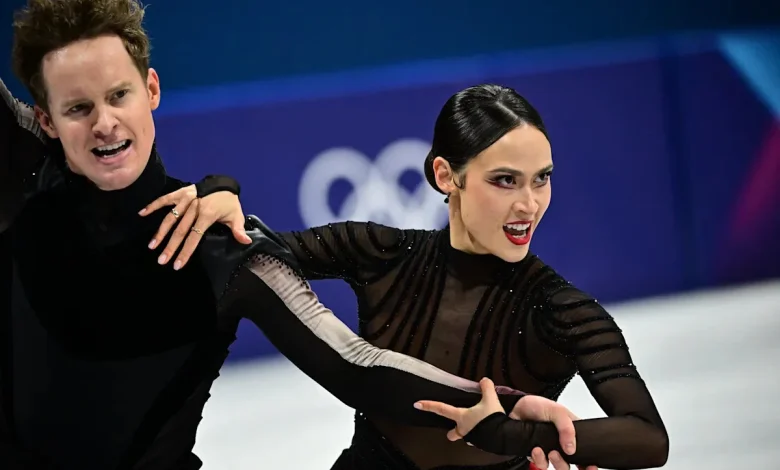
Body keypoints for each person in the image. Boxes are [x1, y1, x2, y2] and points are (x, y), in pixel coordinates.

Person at [1, 2, 585, 469]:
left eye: (118, 95)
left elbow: (358, 363)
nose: (104, 122)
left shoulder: (223, 249)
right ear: (47, 120)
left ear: (151, 89)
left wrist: (502, 403)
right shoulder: (26, 169)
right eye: (78, 108)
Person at [151, 84, 670, 470]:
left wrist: (518, 436)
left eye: (541, 180)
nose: (528, 204)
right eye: (504, 181)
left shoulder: (561, 308)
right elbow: (249, 253)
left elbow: (649, 439)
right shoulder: (380, 252)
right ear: (447, 176)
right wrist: (220, 188)